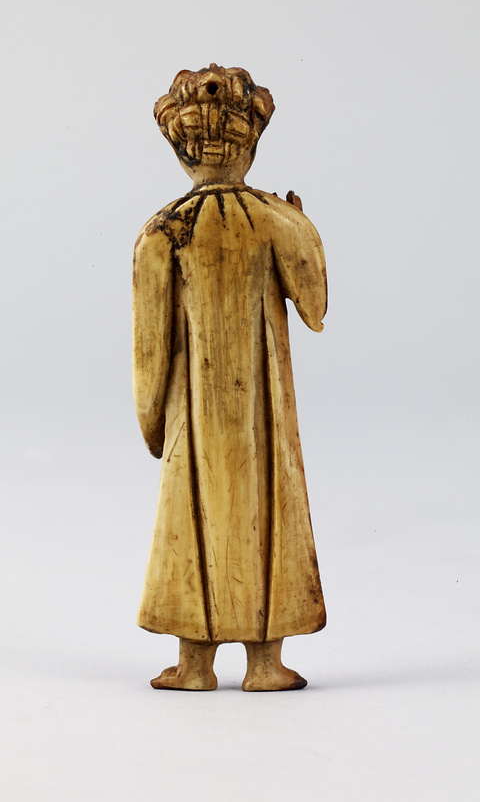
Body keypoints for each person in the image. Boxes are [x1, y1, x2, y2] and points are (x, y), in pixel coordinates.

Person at [133, 64, 327, 691]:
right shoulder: (272, 219)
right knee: (269, 512)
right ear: (252, 142)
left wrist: (152, 422)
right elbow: (316, 307)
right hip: (261, 413)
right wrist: (303, 224)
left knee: (190, 518)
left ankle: (195, 664)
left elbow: (149, 351)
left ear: (179, 148)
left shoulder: (162, 231)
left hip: (194, 414)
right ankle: (265, 664)